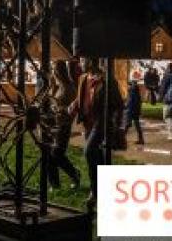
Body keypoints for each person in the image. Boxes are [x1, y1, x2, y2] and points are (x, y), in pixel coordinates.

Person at [69, 57, 122, 207]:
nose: (80, 63)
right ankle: (98, 191)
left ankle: (98, 191)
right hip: (88, 123)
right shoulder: (83, 78)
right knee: (97, 160)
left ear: (91, 61)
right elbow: (81, 98)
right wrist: (74, 105)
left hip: (102, 122)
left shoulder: (107, 80)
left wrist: (117, 125)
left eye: (83, 60)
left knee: (89, 151)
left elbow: (118, 104)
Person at [48, 60, 80, 190]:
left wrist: (61, 110)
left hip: (63, 125)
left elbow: (71, 108)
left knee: (56, 154)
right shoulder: (58, 86)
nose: (53, 73)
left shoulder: (69, 87)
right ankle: (55, 185)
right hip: (55, 123)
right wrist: (51, 87)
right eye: (52, 70)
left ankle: (74, 174)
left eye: (55, 70)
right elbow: (52, 101)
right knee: (50, 154)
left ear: (61, 72)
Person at [123, 80, 144, 144]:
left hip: (131, 111)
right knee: (136, 125)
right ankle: (141, 139)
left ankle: (122, 139)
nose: (128, 86)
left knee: (127, 125)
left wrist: (125, 107)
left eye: (129, 85)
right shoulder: (136, 93)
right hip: (135, 111)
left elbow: (130, 103)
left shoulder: (131, 93)